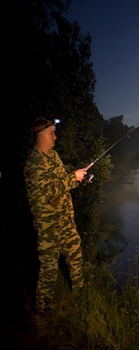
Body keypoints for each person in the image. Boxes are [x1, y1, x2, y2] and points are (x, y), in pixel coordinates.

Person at [24, 118, 87, 313]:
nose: (55, 136)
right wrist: (72, 178)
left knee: (76, 257)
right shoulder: (33, 163)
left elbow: (63, 183)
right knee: (49, 270)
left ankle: (81, 298)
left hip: (65, 221)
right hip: (49, 226)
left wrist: (79, 178)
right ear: (42, 134)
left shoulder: (54, 156)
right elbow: (51, 189)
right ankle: (42, 311)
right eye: (52, 132)